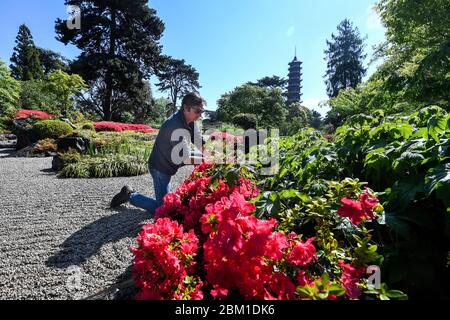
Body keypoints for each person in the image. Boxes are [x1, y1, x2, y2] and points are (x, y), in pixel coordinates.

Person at [110, 92, 208, 214]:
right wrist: (206, 161)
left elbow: (200, 142)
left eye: (201, 111)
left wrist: (211, 156)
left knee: (204, 157)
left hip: (173, 159)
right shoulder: (174, 125)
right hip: (160, 168)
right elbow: (185, 157)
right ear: (186, 108)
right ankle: (129, 194)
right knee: (165, 210)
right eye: (198, 111)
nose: (200, 115)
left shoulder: (190, 121)